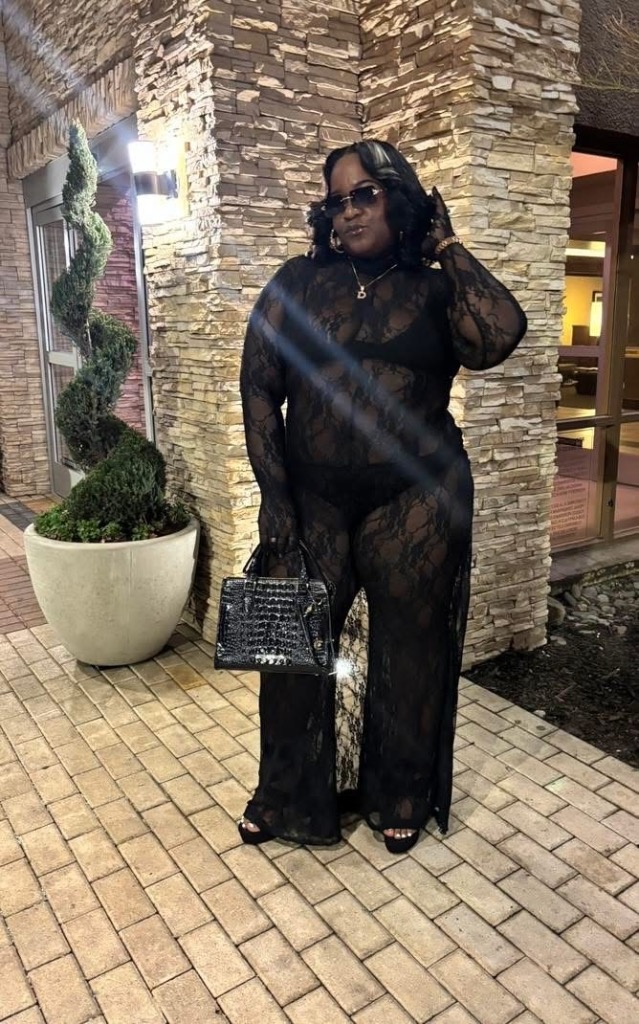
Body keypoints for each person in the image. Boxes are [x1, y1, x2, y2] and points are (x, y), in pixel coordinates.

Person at [238, 139, 527, 853]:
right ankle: (284, 795)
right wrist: (274, 496)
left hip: (416, 494)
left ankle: (399, 791)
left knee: (408, 651)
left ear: (398, 199)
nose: (349, 211)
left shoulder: (434, 288)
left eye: (364, 194)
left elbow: (497, 337)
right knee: (293, 653)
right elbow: (259, 387)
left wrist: (447, 246)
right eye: (338, 200)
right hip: (314, 497)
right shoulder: (299, 282)